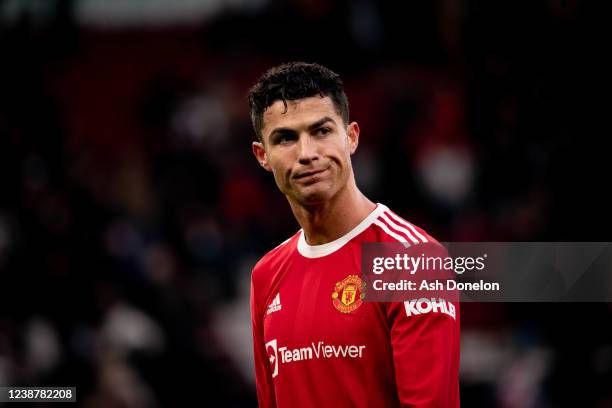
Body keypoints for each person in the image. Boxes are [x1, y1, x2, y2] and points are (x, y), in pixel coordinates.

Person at [248, 62, 460, 407]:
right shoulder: (266, 275)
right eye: (286, 138)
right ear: (263, 156)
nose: (307, 154)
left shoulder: (412, 260)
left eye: (321, 131)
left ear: (351, 137)